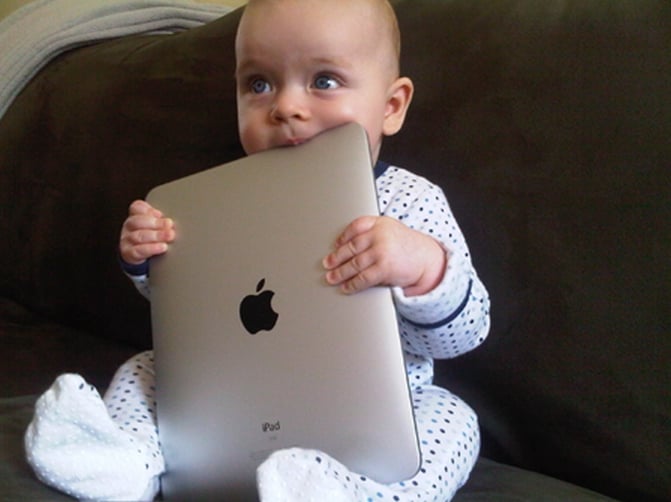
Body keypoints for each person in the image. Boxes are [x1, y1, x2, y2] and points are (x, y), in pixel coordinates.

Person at [25, 0, 490, 500]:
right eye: (259, 84)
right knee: (148, 366)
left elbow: (466, 333)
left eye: (325, 80)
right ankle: (120, 461)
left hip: (374, 409)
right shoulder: (221, 199)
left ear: (391, 106)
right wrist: (148, 261)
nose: (285, 106)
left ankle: (355, 494)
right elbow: (189, 314)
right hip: (237, 399)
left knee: (454, 418)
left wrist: (423, 268)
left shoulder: (409, 201)